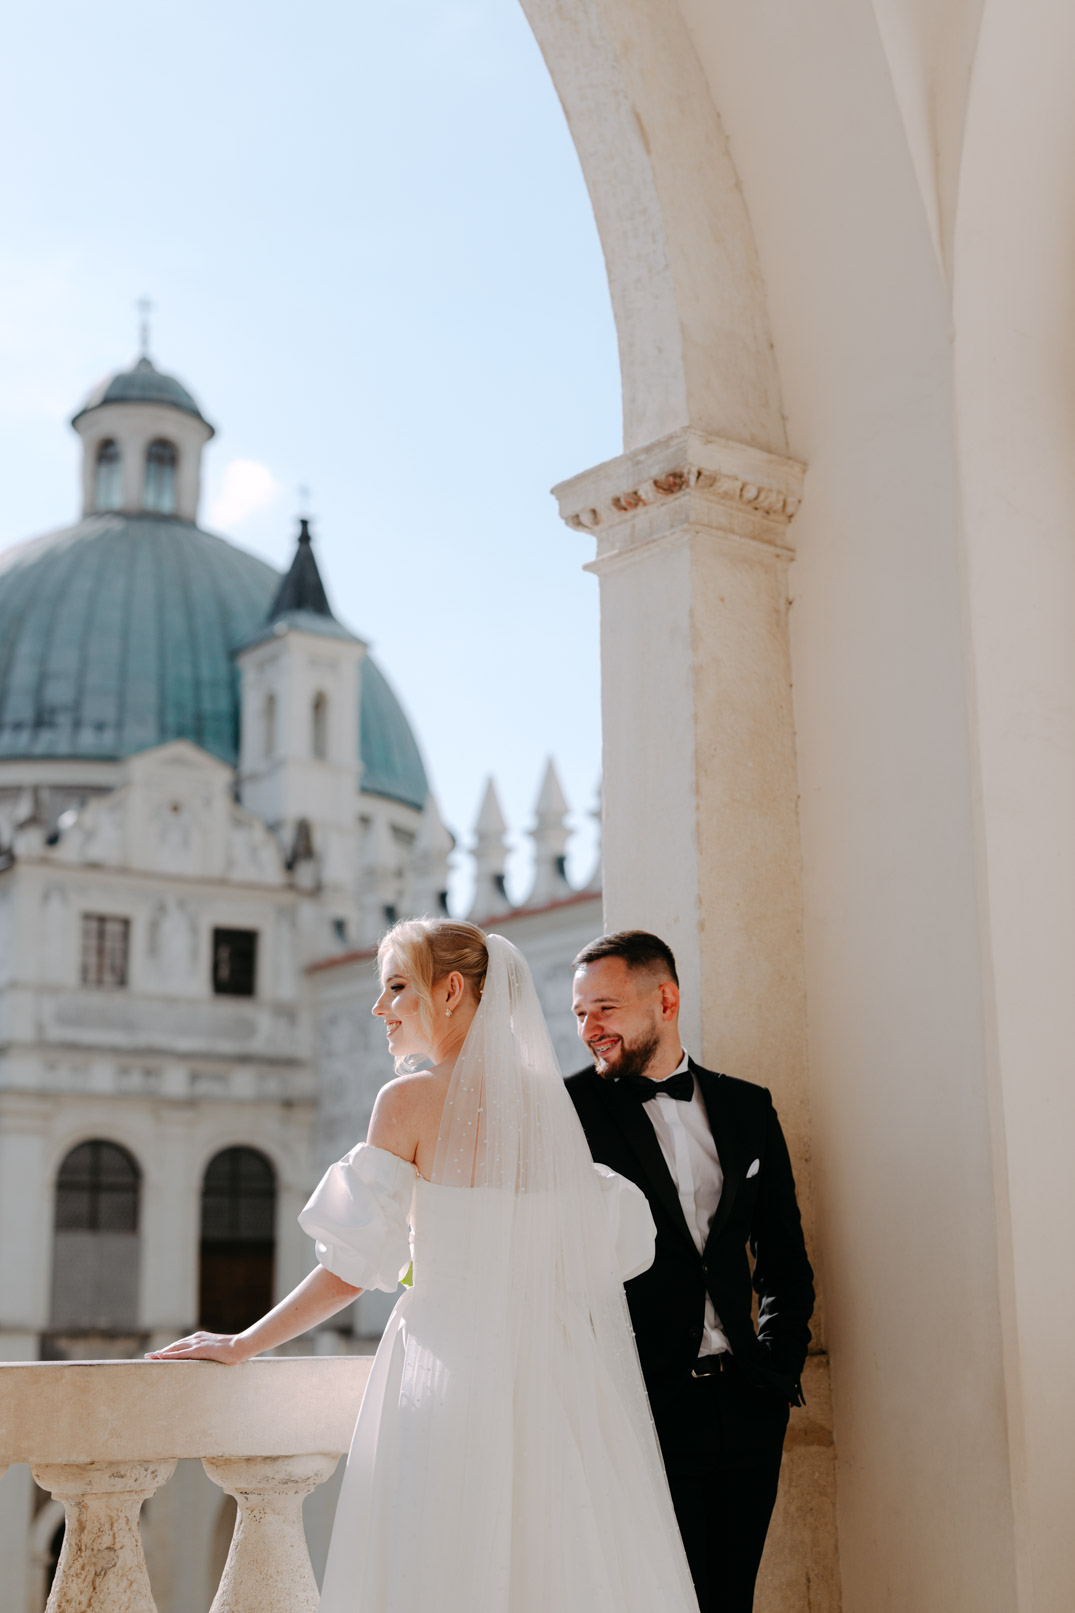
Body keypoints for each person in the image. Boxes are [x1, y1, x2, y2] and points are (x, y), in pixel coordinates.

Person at [147, 919, 699, 1613]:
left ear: (451, 990)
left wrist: (243, 1343)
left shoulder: (406, 1101)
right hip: (553, 1373)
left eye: (397, 987)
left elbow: (350, 1268)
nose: (380, 1007)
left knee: (441, 1567)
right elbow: (612, 1245)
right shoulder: (548, 1104)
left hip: (447, 1373)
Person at [566, 930, 815, 1613]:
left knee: (733, 1599)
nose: (589, 1028)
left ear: (666, 1000)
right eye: (580, 1012)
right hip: (641, 1409)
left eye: (605, 1008)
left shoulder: (747, 1107)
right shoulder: (566, 1114)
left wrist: (776, 1368)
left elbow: (783, 1258)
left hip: (747, 1405)